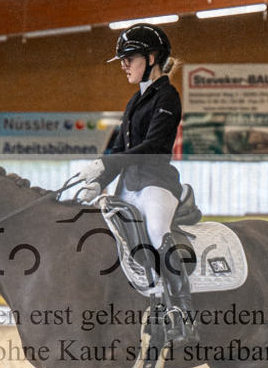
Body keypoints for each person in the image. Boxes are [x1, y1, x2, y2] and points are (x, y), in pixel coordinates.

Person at [72, 23, 195, 343]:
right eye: (122, 59)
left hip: (156, 184)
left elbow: (154, 146)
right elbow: (120, 151)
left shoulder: (168, 96)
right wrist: (100, 182)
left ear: (151, 58)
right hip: (126, 186)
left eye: (130, 57)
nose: (123, 64)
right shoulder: (134, 101)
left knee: (156, 231)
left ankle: (182, 311)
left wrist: (107, 163)